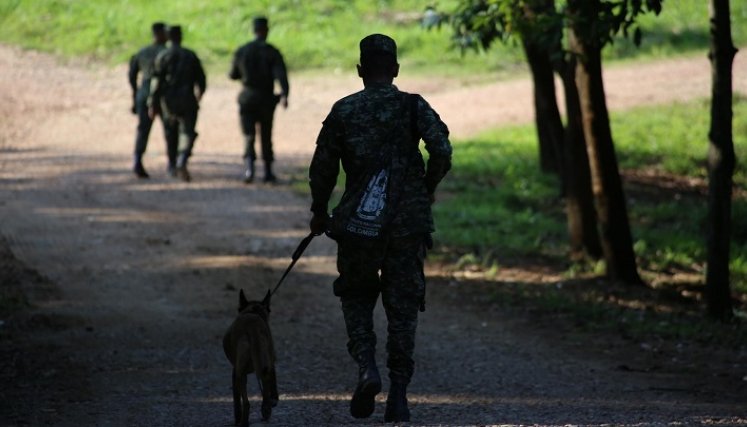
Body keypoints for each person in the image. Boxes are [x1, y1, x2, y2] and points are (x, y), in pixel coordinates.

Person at [308, 34, 452, 422]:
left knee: (356, 297)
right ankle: (399, 395)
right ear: (396, 70)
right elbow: (441, 149)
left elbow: (323, 167)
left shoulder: (344, 110)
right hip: (407, 225)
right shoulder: (413, 106)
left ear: (360, 71)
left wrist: (320, 210)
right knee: (402, 307)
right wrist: (426, 189)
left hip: (358, 224)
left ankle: (367, 367)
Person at [229, 16, 289, 183]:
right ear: (266, 30)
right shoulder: (272, 51)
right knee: (266, 134)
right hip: (266, 98)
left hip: (247, 97)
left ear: (254, 30)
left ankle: (249, 170)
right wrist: (285, 94)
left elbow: (232, 75)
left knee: (248, 134)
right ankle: (268, 172)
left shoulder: (242, 50)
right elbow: (281, 76)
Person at [148, 25, 206, 182]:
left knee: (170, 132)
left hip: (168, 101)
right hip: (188, 99)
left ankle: (172, 164)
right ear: (181, 37)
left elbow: (156, 82)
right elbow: (201, 80)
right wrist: (199, 95)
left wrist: (152, 103)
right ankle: (182, 159)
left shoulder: (162, 56)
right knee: (187, 132)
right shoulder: (190, 55)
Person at [128, 22, 176, 178]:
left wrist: (135, 93)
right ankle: (172, 164)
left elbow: (132, 74)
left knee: (143, 129)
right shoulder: (167, 52)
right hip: (163, 94)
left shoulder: (142, 52)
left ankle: (137, 160)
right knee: (170, 129)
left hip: (144, 91)